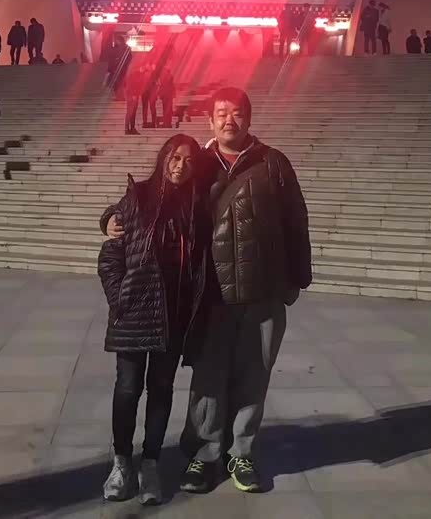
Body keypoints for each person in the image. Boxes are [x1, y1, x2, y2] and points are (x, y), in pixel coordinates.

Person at [104, 86, 312, 494]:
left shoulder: (272, 163)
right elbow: (158, 192)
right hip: (211, 293)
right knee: (208, 379)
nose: (229, 120)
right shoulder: (199, 164)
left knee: (254, 377)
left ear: (248, 118)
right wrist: (111, 217)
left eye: (236, 113)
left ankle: (241, 452)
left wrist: (295, 281)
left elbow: (296, 220)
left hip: (263, 291)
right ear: (210, 120)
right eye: (221, 113)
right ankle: (203, 453)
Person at [98, 134, 210, 505]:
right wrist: (120, 299)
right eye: (175, 158)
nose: (180, 166)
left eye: (189, 161)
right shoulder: (139, 197)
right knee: (128, 389)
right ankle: (121, 463)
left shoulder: (197, 206)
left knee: (161, 390)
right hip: (134, 314)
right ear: (164, 158)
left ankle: (150, 464)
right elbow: (110, 256)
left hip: (174, 317)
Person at [108, 35, 131, 101]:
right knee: (122, 83)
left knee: (118, 83)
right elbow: (130, 58)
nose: (115, 42)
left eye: (116, 40)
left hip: (119, 68)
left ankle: (120, 97)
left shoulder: (119, 48)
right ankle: (122, 96)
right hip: (125, 68)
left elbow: (116, 58)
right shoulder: (127, 48)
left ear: (119, 40)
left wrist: (114, 67)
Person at [124, 64, 144, 135]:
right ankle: (126, 129)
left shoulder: (140, 75)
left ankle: (132, 128)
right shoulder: (133, 75)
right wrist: (133, 94)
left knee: (133, 113)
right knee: (129, 113)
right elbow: (130, 85)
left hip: (135, 96)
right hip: (131, 96)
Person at [141, 62, 159, 128]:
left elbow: (157, 83)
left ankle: (153, 122)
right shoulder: (143, 74)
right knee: (146, 108)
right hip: (145, 92)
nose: (148, 66)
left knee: (152, 107)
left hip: (151, 92)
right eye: (146, 65)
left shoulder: (153, 74)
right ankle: (145, 122)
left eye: (148, 65)